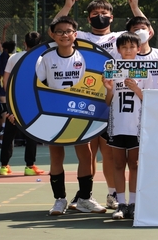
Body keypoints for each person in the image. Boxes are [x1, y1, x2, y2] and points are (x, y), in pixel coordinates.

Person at [57, 0, 147, 210]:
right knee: (87, 151)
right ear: (88, 18)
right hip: (86, 97)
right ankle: (84, 195)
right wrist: (67, 5)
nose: (100, 16)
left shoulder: (120, 37)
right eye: (95, 13)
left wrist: (134, 6)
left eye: (104, 13)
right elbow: (57, 27)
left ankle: (113, 194)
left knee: (109, 152)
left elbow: (145, 31)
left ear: (112, 17)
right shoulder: (81, 36)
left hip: (114, 99)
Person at [36, 16, 106, 215]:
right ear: (52, 35)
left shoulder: (84, 57)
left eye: (68, 31)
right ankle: (59, 200)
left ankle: (85, 198)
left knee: (86, 155)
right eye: (59, 31)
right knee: (56, 155)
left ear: (75, 34)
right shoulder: (46, 58)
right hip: (54, 112)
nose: (64, 35)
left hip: (79, 112)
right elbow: (37, 85)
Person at [104, 32, 149, 220]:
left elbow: (149, 99)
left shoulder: (145, 69)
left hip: (137, 124)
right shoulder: (112, 69)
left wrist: (136, 88)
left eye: (132, 47)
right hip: (118, 124)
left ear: (138, 49)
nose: (128, 50)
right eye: (124, 47)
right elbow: (108, 101)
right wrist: (108, 90)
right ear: (118, 49)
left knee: (135, 164)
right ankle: (121, 204)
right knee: (118, 164)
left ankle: (134, 204)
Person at [0, 32, 45, 176]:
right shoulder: (41, 60)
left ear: (24, 43)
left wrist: (10, 102)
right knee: (32, 132)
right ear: (39, 44)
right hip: (32, 101)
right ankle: (30, 166)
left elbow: (5, 81)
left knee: (9, 133)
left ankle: (4, 166)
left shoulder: (14, 57)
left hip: (15, 99)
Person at [125, 16, 158, 89]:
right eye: (136, 29)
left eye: (143, 28)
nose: (140, 31)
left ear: (150, 32)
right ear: (129, 34)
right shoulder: (126, 58)